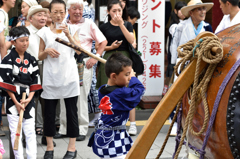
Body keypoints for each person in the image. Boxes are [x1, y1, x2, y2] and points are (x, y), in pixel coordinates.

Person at [37, 0, 84, 158]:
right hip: (51, 78)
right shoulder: (44, 32)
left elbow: (79, 52)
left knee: (71, 113)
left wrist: (68, 35)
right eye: (55, 12)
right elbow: (39, 55)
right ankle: (49, 147)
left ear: (66, 13)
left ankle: (72, 148)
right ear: (49, 13)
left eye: (61, 12)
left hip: (69, 77)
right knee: (49, 114)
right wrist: (47, 51)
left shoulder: (73, 28)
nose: (58, 15)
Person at [55, 0, 107, 142]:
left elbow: (103, 42)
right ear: (68, 10)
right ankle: (64, 128)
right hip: (64, 63)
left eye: (80, 9)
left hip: (83, 63)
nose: (77, 11)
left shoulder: (89, 23)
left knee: (81, 96)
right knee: (63, 94)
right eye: (74, 8)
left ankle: (82, 128)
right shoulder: (62, 24)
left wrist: (95, 58)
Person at [91, 52, 145, 159]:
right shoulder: (120, 94)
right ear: (113, 76)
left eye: (129, 74)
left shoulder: (103, 89)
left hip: (104, 136)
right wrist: (134, 77)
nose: (129, 78)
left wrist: (127, 73)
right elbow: (140, 90)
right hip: (113, 141)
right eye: (126, 75)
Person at [0, 26, 42, 158]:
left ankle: (32, 157)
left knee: (30, 131)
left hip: (28, 99)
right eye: (22, 40)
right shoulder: (7, 60)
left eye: (27, 40)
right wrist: (16, 102)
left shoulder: (31, 59)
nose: (25, 43)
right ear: (13, 42)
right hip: (13, 100)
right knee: (15, 132)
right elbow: (5, 82)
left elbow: (36, 80)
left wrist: (29, 98)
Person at [96, 0, 134, 89]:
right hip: (109, 58)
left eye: (119, 10)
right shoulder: (103, 27)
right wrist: (111, 47)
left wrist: (121, 24)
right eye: (114, 11)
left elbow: (131, 40)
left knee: (125, 85)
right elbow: (97, 46)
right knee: (108, 85)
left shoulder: (128, 25)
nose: (117, 13)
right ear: (108, 12)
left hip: (124, 57)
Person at [170, 0, 213, 66]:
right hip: (183, 63)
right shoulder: (181, 26)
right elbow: (174, 44)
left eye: (203, 9)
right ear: (191, 13)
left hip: (201, 63)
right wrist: (173, 63)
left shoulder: (207, 27)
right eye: (199, 9)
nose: (203, 12)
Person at [166, 1, 186, 136]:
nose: (183, 12)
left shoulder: (204, 26)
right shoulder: (174, 26)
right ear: (175, 11)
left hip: (192, 62)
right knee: (175, 91)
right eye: (180, 10)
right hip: (178, 61)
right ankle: (174, 121)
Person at [126, 6, 140, 136]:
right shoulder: (125, 26)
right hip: (120, 63)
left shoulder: (130, 28)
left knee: (131, 93)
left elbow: (133, 43)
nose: (134, 22)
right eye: (134, 20)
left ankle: (133, 124)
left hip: (129, 63)